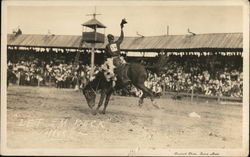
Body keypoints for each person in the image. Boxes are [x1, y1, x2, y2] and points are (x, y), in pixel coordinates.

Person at [102, 19, 130, 85]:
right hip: (120, 58)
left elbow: (107, 54)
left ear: (108, 39)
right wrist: (122, 29)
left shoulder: (107, 45)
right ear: (113, 39)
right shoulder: (117, 43)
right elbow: (122, 37)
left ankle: (112, 80)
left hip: (113, 59)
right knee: (126, 66)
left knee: (107, 70)